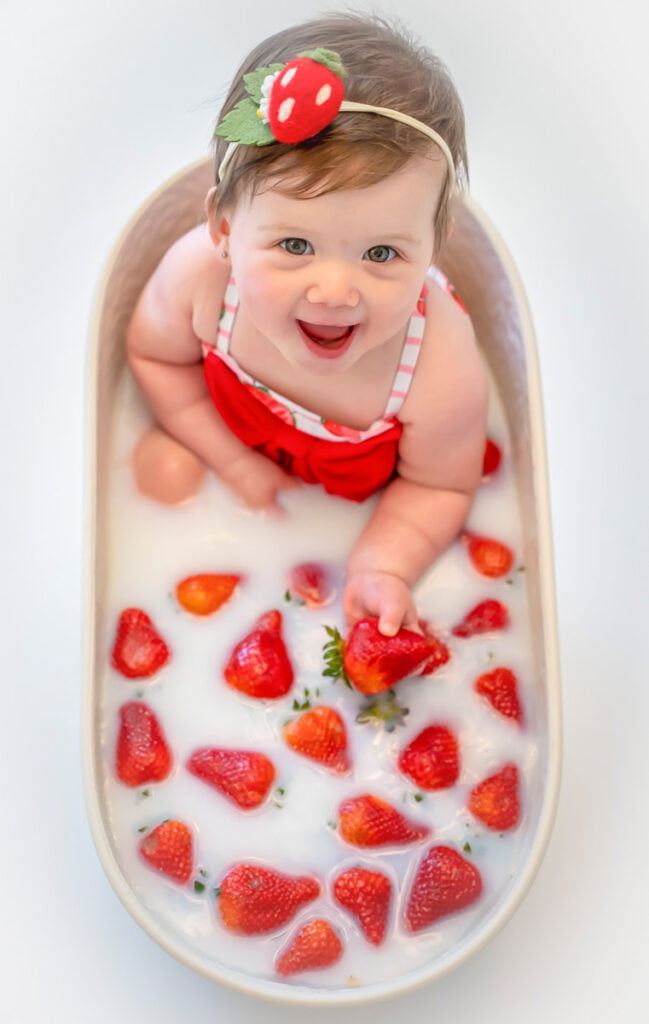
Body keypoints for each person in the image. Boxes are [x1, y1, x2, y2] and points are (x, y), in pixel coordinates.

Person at [126, 12, 488, 638]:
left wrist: (384, 567)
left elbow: (440, 488)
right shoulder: (201, 279)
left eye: (382, 253)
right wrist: (229, 461)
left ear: (435, 247)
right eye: (294, 245)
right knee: (161, 471)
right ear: (224, 229)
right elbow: (156, 357)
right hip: (234, 459)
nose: (334, 293)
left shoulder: (438, 363)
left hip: (361, 511)